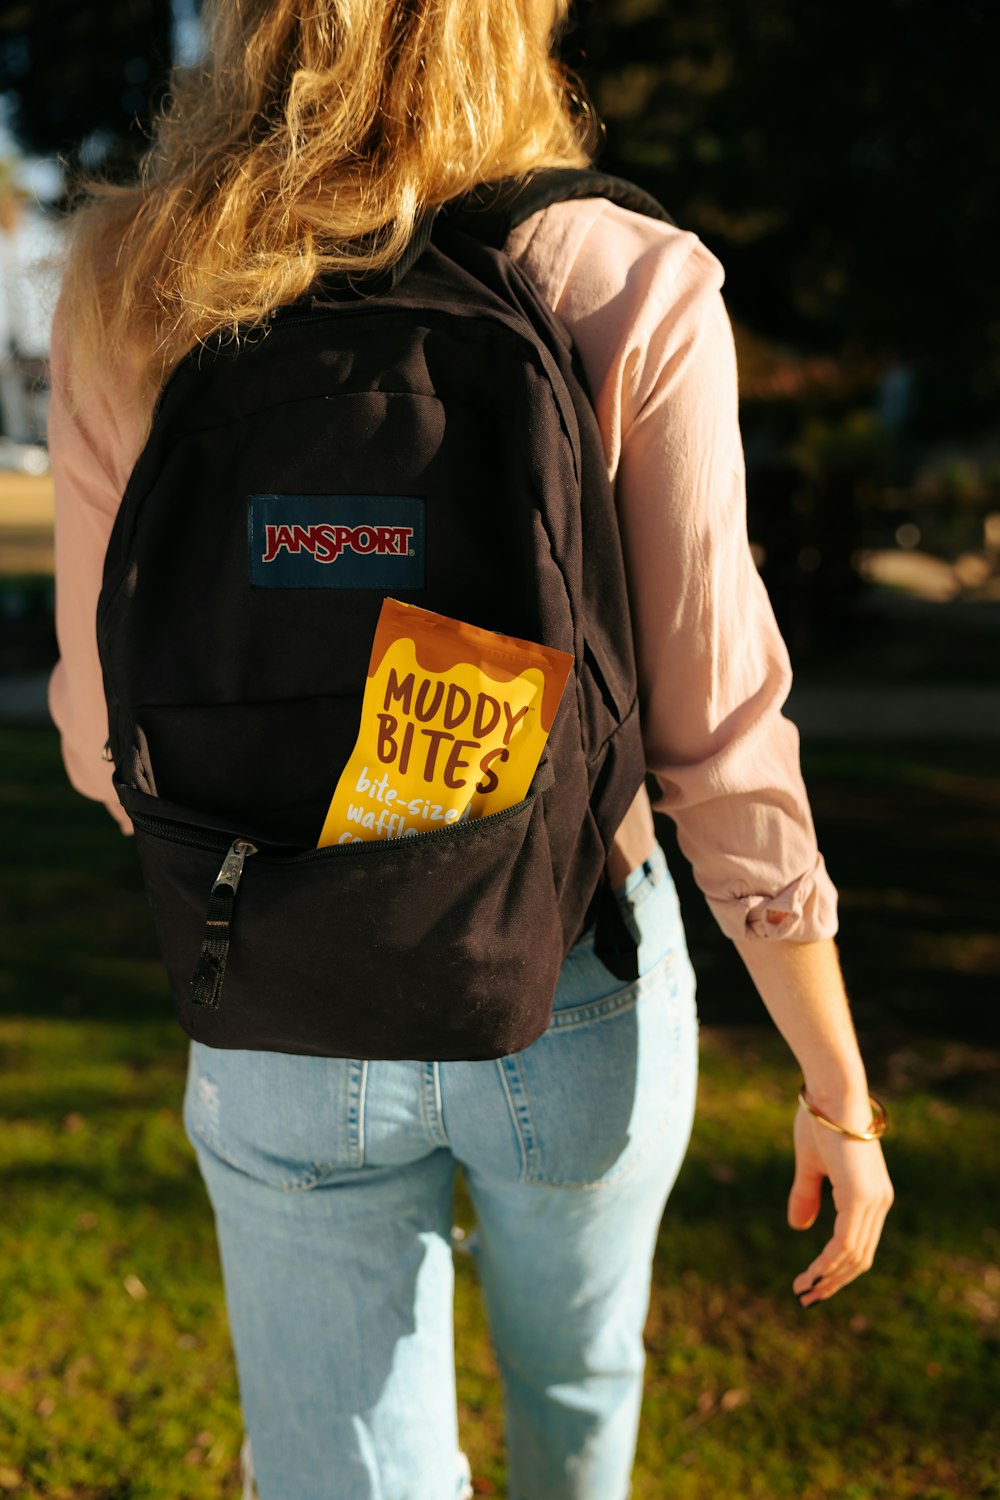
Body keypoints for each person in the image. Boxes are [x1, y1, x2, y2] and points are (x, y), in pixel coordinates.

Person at [47, 2, 894, 1497]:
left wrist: (280, 876)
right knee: (579, 1376)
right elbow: (717, 737)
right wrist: (836, 1084)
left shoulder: (134, 279)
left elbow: (93, 728)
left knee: (346, 1472)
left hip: (273, 984)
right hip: (569, 974)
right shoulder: (627, 278)